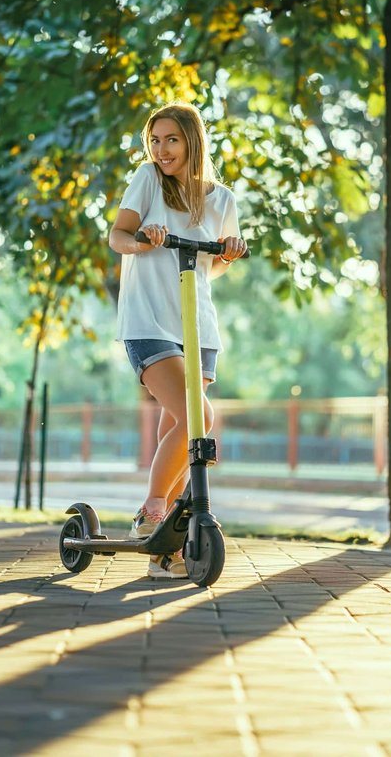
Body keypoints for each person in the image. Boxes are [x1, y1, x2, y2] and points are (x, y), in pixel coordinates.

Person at [109, 102, 246, 579]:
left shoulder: (223, 199)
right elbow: (117, 237)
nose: (161, 149)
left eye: (171, 139)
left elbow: (213, 268)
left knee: (187, 429)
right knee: (199, 418)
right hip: (148, 322)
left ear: (192, 140)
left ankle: (162, 547)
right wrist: (143, 241)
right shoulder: (148, 179)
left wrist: (230, 253)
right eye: (155, 139)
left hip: (198, 326)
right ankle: (151, 512)